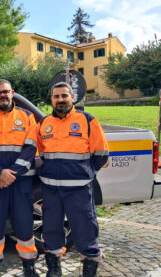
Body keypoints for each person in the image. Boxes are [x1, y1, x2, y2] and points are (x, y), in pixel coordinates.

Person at [36, 82, 109, 277]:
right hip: (51, 190)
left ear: (72, 98)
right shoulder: (44, 123)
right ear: (51, 99)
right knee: (51, 230)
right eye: (56, 96)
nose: (60, 100)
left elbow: (101, 153)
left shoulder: (87, 120)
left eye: (64, 96)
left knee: (85, 229)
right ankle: (54, 270)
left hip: (79, 189)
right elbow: (40, 153)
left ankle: (90, 268)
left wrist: (86, 172)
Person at [0, 79, 39, 277]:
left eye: (5, 92)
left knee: (24, 223)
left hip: (21, 181)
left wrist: (10, 174)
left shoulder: (27, 117)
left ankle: (29, 267)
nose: (2, 95)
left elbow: (30, 148)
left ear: (12, 93)